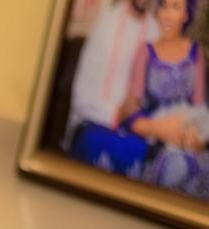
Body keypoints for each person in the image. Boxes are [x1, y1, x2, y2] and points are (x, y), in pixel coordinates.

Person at [122, 0, 209, 197]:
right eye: (163, 6)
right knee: (176, 166)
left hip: (189, 134)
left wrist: (198, 140)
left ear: (187, 15)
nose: (167, 14)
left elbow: (200, 110)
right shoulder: (145, 52)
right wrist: (161, 129)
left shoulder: (197, 53)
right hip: (156, 137)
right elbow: (130, 113)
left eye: (175, 7)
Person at [66, 0, 159, 176]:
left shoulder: (156, 32)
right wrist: (117, 113)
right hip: (94, 120)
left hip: (135, 129)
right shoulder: (106, 23)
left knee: (146, 153)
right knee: (98, 145)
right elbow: (82, 95)